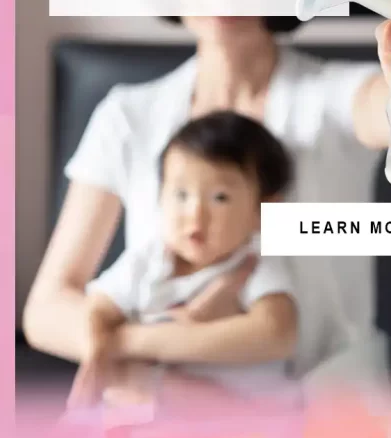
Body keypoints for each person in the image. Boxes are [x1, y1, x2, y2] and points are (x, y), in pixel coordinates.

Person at [24, 3, 391, 391]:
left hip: (329, 430)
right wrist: (160, 363)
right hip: (161, 429)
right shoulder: (127, 115)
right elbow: (45, 311)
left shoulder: (334, 95)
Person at [69, 111, 346, 409]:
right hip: (156, 412)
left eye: (220, 198)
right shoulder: (147, 259)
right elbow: (100, 306)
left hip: (241, 414)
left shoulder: (252, 264)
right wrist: (97, 348)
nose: (195, 214)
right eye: (181, 194)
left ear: (263, 210)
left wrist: (146, 340)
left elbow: (277, 333)